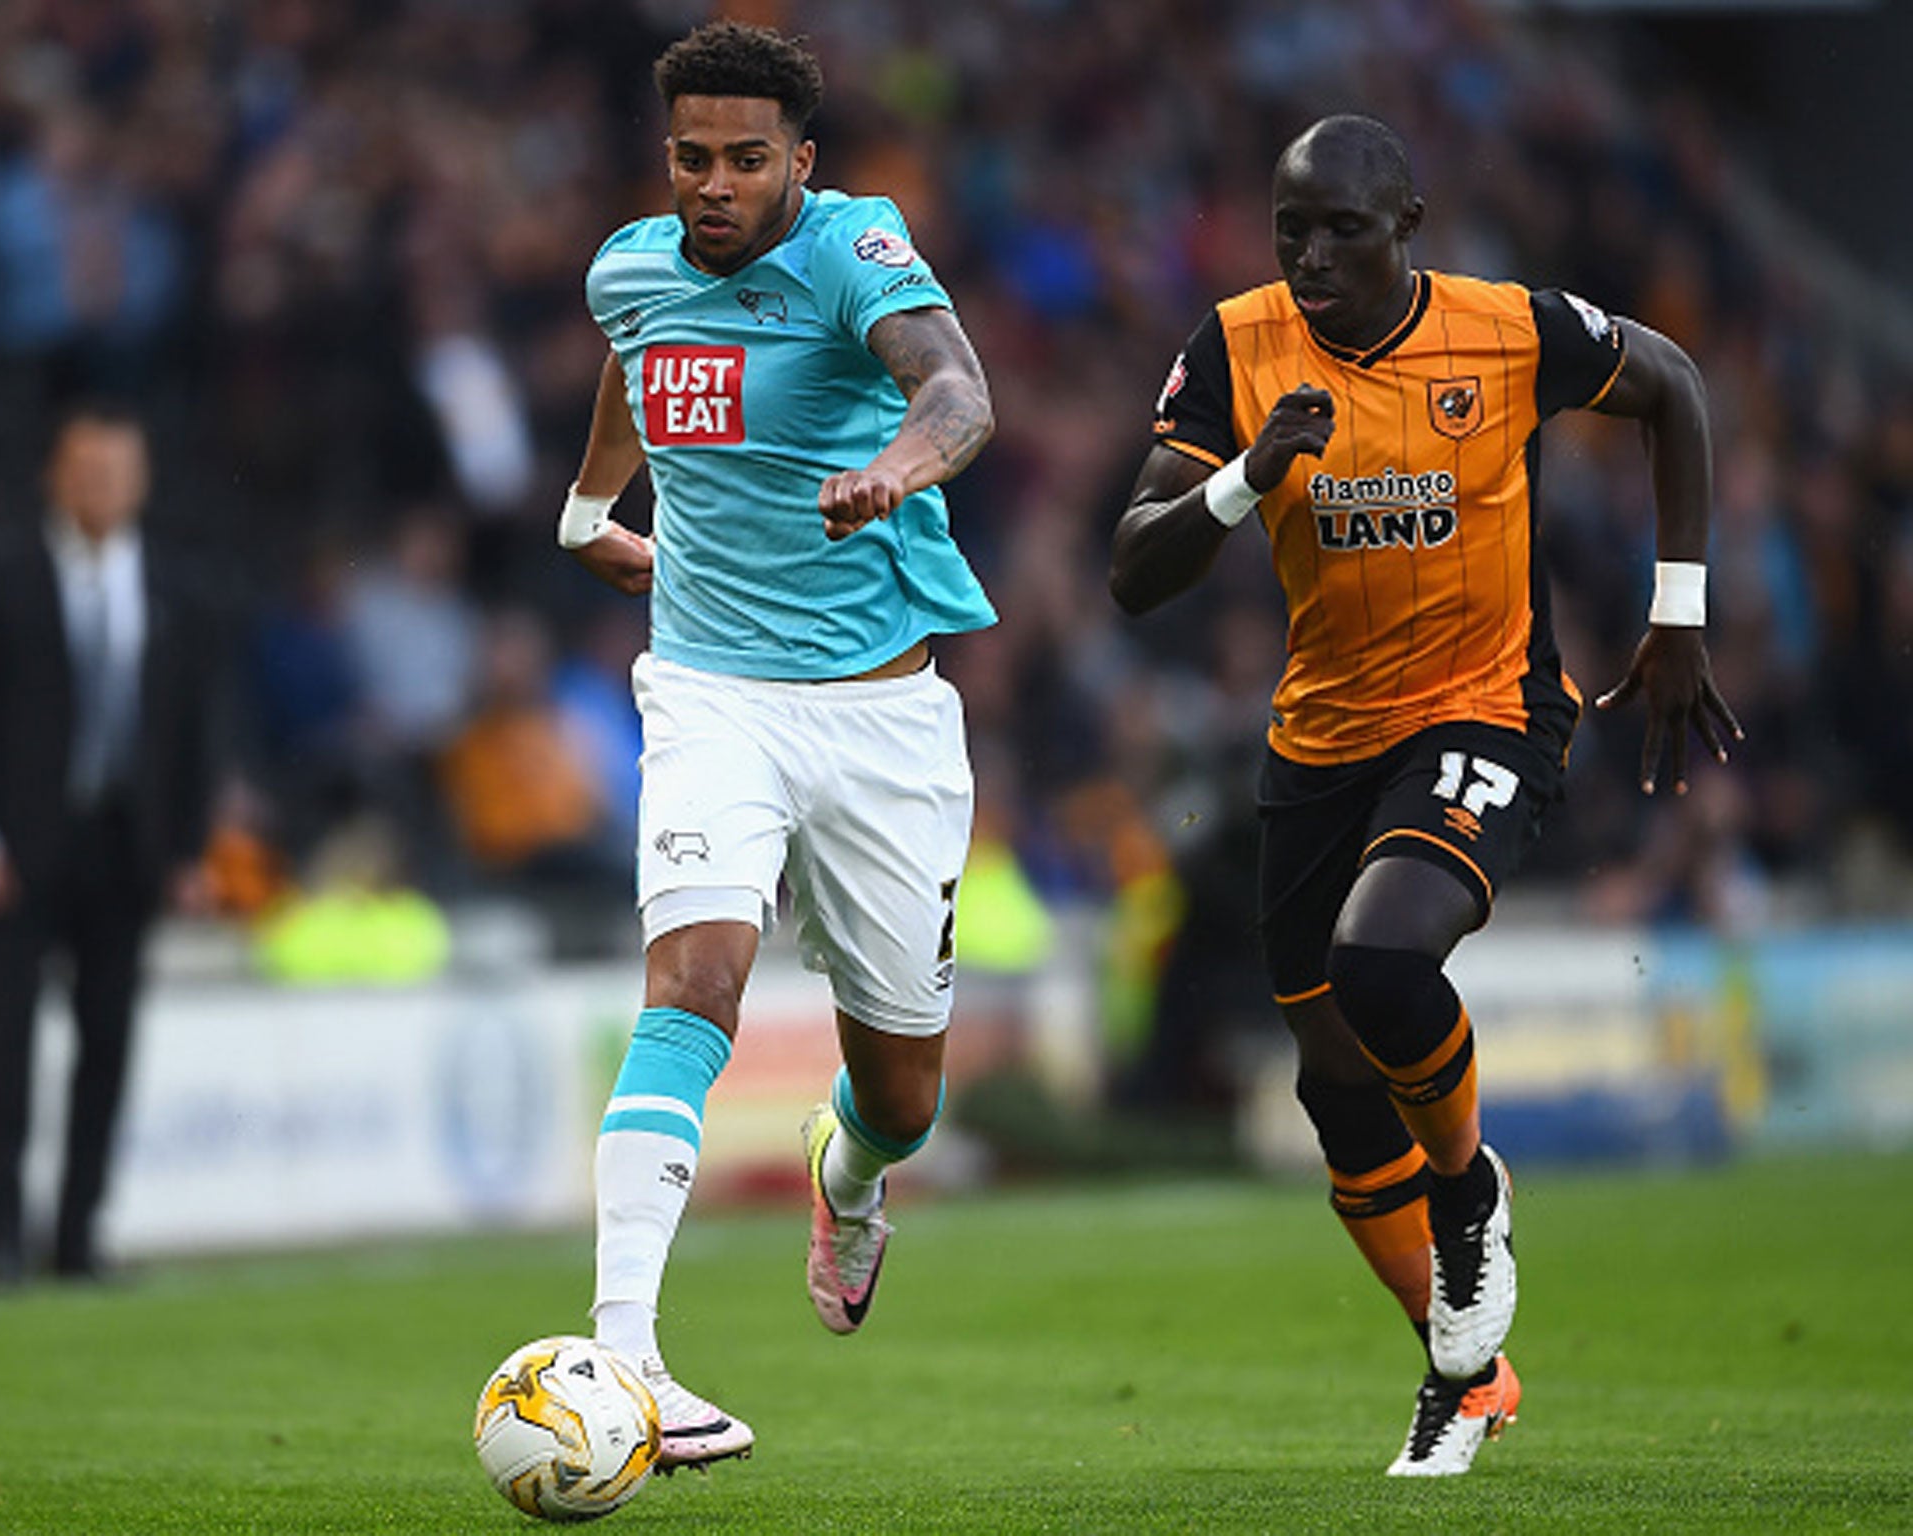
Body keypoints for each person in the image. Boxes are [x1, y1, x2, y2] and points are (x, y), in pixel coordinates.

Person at [1109, 116, 1741, 1477]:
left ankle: (1471, 1196)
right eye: (1292, 231)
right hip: (1317, 742)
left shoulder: (1505, 331)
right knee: (1336, 1085)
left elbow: (1676, 383)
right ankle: (1465, 1375)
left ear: (1408, 224)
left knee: (1383, 960)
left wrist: (1676, 613)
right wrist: (1240, 480)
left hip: (1485, 708)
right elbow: (1134, 567)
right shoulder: (1236, 347)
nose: (1313, 256)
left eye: (1342, 229)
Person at [557, 21, 995, 1470]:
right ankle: (626, 1361)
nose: (716, 186)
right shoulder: (629, 267)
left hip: (880, 716)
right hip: (708, 694)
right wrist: (586, 509)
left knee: (907, 1097)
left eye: (748, 159)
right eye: (693, 158)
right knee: (692, 983)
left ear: (802, 162)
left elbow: (957, 392)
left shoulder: (853, 254)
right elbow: (637, 363)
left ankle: (847, 1175)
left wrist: (891, 469)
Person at [0, 400, 227, 1286]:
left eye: (115, 471)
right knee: (10, 1046)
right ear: (54, 477)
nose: (100, 486)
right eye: (85, 470)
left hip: (123, 847)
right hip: (20, 848)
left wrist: (188, 848)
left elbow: (190, 729)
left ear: (139, 481)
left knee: (107, 1045)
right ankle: (0, 1238)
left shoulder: (172, 588)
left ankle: (77, 1237)